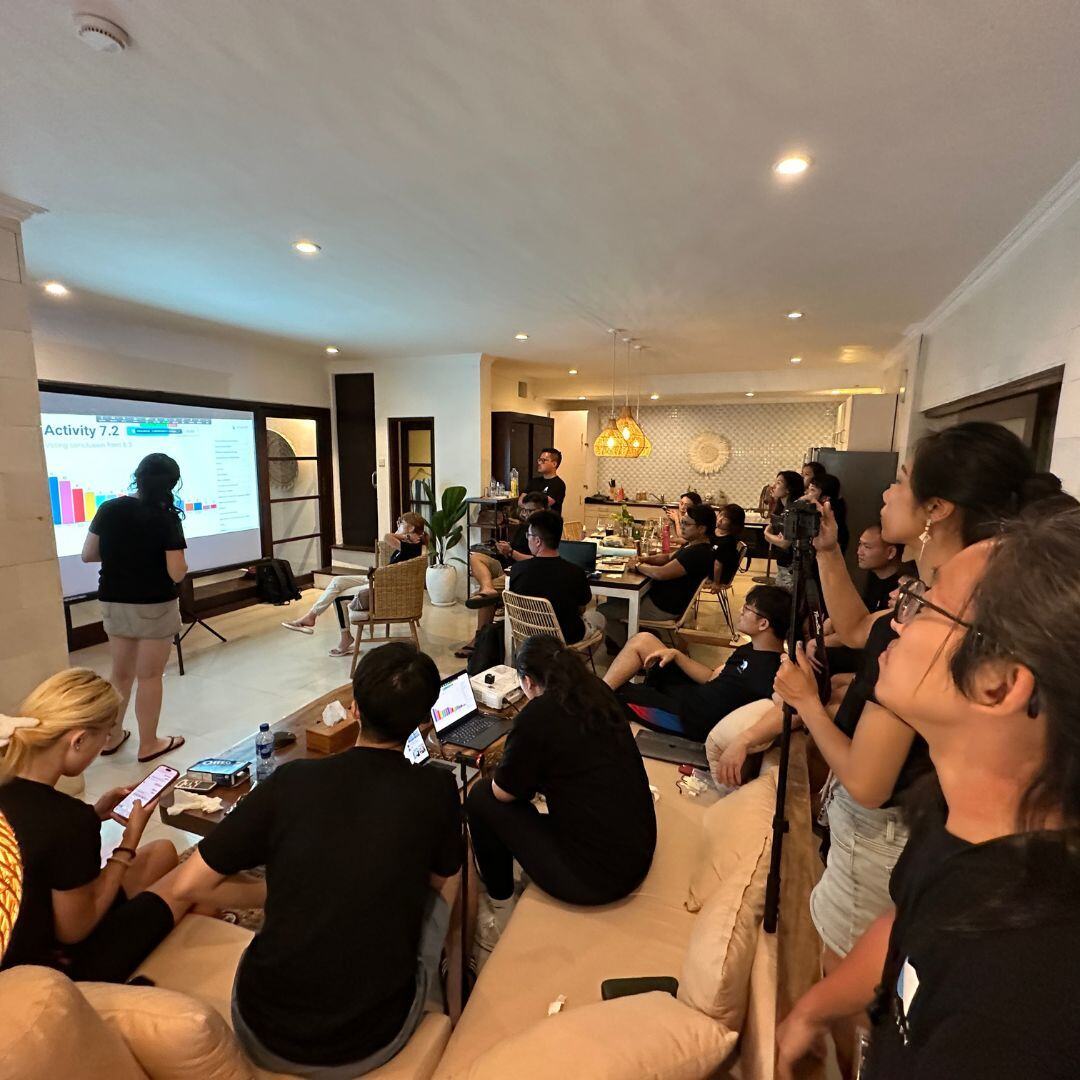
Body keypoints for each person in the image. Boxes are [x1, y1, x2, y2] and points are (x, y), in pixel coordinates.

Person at [726, 421, 1067, 1075]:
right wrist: (813, 1007)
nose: (901, 620)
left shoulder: (1014, 992)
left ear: (999, 684)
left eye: (931, 607)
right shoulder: (947, 825)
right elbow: (904, 922)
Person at [173, 643, 461, 1076]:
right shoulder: (435, 790)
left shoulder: (292, 780)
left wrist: (274, 890)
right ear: (424, 721)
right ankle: (449, 993)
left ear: (353, 708)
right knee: (450, 875)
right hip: (374, 1039)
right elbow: (438, 882)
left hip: (261, 1029)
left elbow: (188, 885)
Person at [466, 636, 656, 962]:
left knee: (481, 797)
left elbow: (502, 793)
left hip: (594, 879)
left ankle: (501, 911)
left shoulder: (537, 715)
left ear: (528, 682)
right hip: (636, 851)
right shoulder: (597, 691)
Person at [0, 669, 188, 982]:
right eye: (105, 735)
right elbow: (75, 930)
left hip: (19, 934)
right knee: (187, 883)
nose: (102, 749)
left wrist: (96, 814)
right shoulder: (67, 820)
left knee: (162, 852)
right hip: (47, 970)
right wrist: (128, 843)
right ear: (79, 740)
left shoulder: (16, 792)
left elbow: (38, 844)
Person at [81, 452, 187, 763]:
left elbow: (88, 554)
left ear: (138, 478)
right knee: (150, 676)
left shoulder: (109, 508)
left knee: (121, 674)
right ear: (171, 484)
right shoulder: (166, 517)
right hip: (155, 605)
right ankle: (149, 743)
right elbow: (176, 572)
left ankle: (111, 737)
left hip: (113, 600)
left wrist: (123, 556)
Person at [603, 585, 789, 742]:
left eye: (747, 608)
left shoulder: (773, 671)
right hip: (694, 694)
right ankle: (598, 691)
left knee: (616, 696)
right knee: (644, 640)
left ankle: (595, 696)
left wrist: (744, 742)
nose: (741, 611)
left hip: (687, 719)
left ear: (763, 624)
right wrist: (677, 655)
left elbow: (789, 712)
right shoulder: (750, 648)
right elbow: (711, 676)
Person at [283, 513, 428, 657]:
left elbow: (387, 537)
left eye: (401, 523)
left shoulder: (412, 546)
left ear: (411, 528)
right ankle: (311, 616)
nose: (397, 525)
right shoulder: (411, 545)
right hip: (379, 579)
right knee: (337, 581)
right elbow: (391, 538)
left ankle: (344, 637)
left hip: (384, 588)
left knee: (338, 598)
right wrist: (405, 535)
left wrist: (405, 535)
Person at [598, 504, 718, 650]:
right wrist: (644, 559)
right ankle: (631, 636)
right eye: (682, 522)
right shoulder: (693, 545)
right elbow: (667, 557)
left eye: (686, 524)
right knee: (616, 597)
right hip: (663, 599)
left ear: (702, 529)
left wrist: (637, 566)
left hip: (663, 607)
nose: (682, 526)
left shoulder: (697, 553)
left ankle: (630, 650)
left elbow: (660, 573)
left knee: (602, 610)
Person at [455, 493, 547, 658]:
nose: (526, 514)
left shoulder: (545, 532)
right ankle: (488, 587)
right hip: (508, 565)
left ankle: (479, 639)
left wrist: (511, 552)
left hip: (522, 573)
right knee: (475, 557)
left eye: (530, 511)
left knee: (484, 597)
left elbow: (538, 561)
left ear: (543, 510)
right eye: (524, 511)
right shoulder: (525, 526)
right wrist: (505, 549)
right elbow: (517, 550)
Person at [506, 510, 596, 644]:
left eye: (528, 535)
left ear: (537, 541)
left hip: (527, 635)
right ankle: (574, 657)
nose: (527, 539)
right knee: (599, 617)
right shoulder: (576, 572)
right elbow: (582, 607)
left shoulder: (517, 569)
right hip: (565, 637)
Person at [763, 470, 805, 590]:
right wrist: (773, 537)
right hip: (783, 563)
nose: (773, 486)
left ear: (788, 489)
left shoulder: (793, 510)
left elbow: (784, 543)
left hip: (792, 565)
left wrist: (767, 534)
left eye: (779, 483)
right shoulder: (781, 508)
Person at [854, 524, 910, 613]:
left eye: (867, 547)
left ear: (891, 552)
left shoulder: (902, 588)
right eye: (860, 544)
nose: (859, 552)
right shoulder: (871, 577)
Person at [806, 473, 849, 553]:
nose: (806, 493)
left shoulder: (832, 515)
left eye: (812, 490)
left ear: (825, 498)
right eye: (808, 488)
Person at [523, 448, 566, 515]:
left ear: (554, 464)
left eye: (543, 460)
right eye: (539, 460)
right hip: (531, 520)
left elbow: (541, 506)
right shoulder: (534, 481)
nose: (539, 463)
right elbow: (521, 501)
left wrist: (528, 505)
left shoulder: (558, 484)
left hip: (548, 521)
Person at [713, 503, 746, 585]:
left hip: (717, 576)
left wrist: (716, 583)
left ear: (734, 524)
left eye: (726, 519)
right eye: (720, 515)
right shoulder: (713, 531)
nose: (720, 519)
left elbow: (718, 565)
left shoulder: (728, 542)